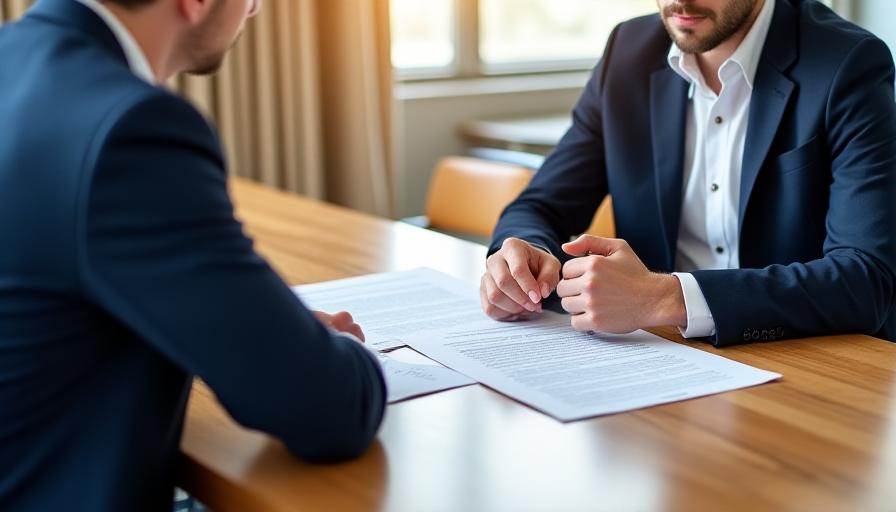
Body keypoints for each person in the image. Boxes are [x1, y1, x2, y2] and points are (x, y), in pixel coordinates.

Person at [0, 0, 385, 509]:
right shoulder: (131, 128)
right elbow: (328, 410)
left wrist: (259, 325)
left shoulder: (13, 59)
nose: (255, 10)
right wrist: (325, 348)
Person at [481, 0, 896, 346]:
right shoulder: (628, 50)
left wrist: (666, 298)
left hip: (802, 360)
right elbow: (540, 206)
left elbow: (864, 278)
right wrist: (523, 260)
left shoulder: (847, 63)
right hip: (659, 356)